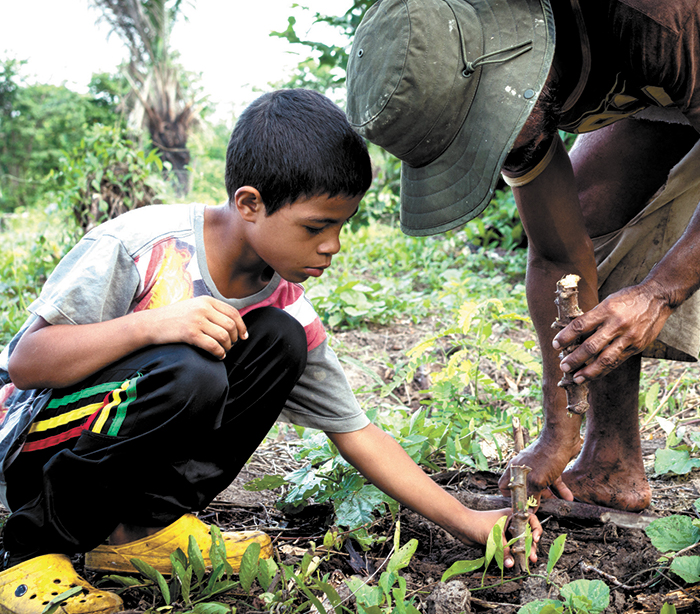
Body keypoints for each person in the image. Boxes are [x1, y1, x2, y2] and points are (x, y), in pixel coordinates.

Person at [345, 0, 700, 598]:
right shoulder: (492, 60)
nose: (499, 145)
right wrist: (556, 430)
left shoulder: (658, 14)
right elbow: (559, 252)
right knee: (591, 211)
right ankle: (609, 460)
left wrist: (659, 294)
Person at [0, 89, 540, 614]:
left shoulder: (284, 301)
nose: (332, 246)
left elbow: (356, 431)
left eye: (340, 226)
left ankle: (138, 531)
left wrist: (467, 519)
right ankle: (28, 552)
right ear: (250, 203)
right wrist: (154, 326)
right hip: (33, 452)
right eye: (316, 226)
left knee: (278, 339)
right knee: (192, 373)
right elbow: (28, 363)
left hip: (107, 459)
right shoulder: (142, 246)